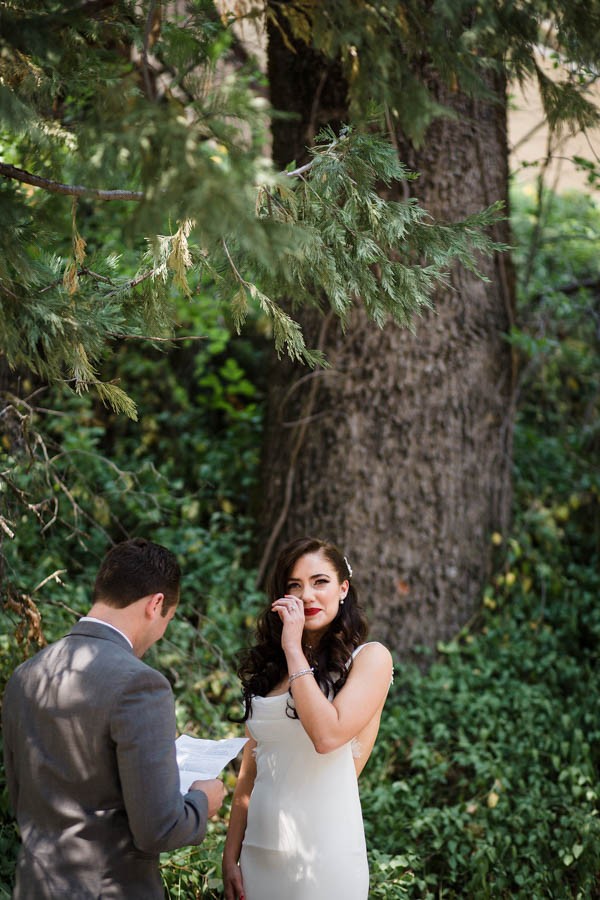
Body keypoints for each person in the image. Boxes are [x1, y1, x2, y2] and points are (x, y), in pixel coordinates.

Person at [2, 538, 225, 900]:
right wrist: (202, 800)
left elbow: (20, 800)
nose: (162, 632)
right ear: (156, 605)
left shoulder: (25, 675)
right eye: (168, 618)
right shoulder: (140, 683)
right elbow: (159, 828)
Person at [222, 536, 393, 900]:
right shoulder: (272, 669)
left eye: (320, 582)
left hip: (323, 854)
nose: (307, 596)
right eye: (294, 586)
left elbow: (326, 736)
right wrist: (230, 854)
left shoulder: (369, 659)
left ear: (343, 588)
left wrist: (292, 648)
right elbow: (250, 770)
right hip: (259, 852)